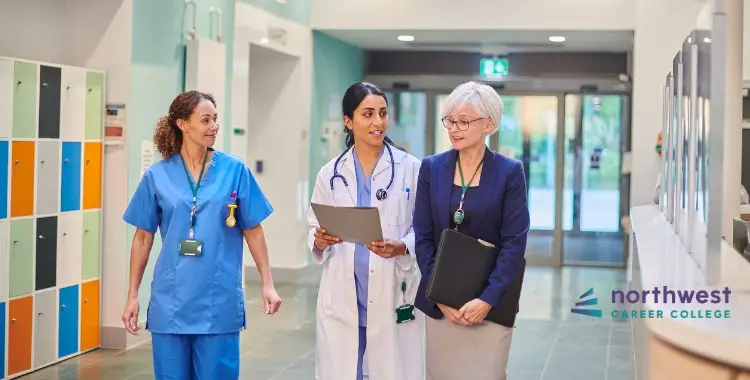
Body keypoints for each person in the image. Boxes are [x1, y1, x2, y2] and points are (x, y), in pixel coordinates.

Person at [121, 90, 283, 379]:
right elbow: (143, 238)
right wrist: (132, 295)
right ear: (183, 124)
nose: (214, 127)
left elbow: (253, 230)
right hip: (170, 300)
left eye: (215, 119)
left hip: (217, 300)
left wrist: (268, 283)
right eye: (205, 120)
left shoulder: (234, 171)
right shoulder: (157, 176)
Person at [307, 82, 425, 380]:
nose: (378, 122)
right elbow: (313, 225)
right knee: (341, 370)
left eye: (383, 113)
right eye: (368, 114)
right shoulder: (330, 173)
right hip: (343, 295)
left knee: (392, 370)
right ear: (348, 121)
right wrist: (319, 239)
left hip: (392, 290)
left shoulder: (411, 168)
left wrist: (402, 245)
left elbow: (426, 227)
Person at [413, 81, 529, 380]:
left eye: (464, 121)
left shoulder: (509, 172)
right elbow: (423, 236)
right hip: (442, 306)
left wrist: (486, 300)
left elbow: (514, 243)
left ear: (488, 124)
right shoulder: (432, 168)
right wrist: (437, 295)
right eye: (450, 120)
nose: (454, 128)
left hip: (489, 304)